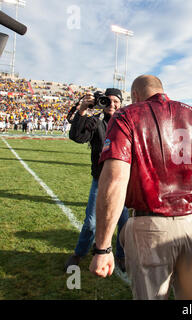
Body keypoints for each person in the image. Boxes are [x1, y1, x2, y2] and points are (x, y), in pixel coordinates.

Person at [89, 75, 192, 300]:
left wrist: (102, 248)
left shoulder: (127, 115)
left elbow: (114, 181)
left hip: (150, 227)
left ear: (136, 96)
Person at [64, 88, 129, 272]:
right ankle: (79, 252)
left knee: (123, 221)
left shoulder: (126, 122)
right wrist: (82, 110)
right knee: (91, 222)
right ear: (102, 101)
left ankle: (122, 255)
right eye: (108, 101)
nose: (112, 105)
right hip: (100, 179)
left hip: (121, 181)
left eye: (116, 101)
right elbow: (77, 136)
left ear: (121, 103)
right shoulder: (96, 120)